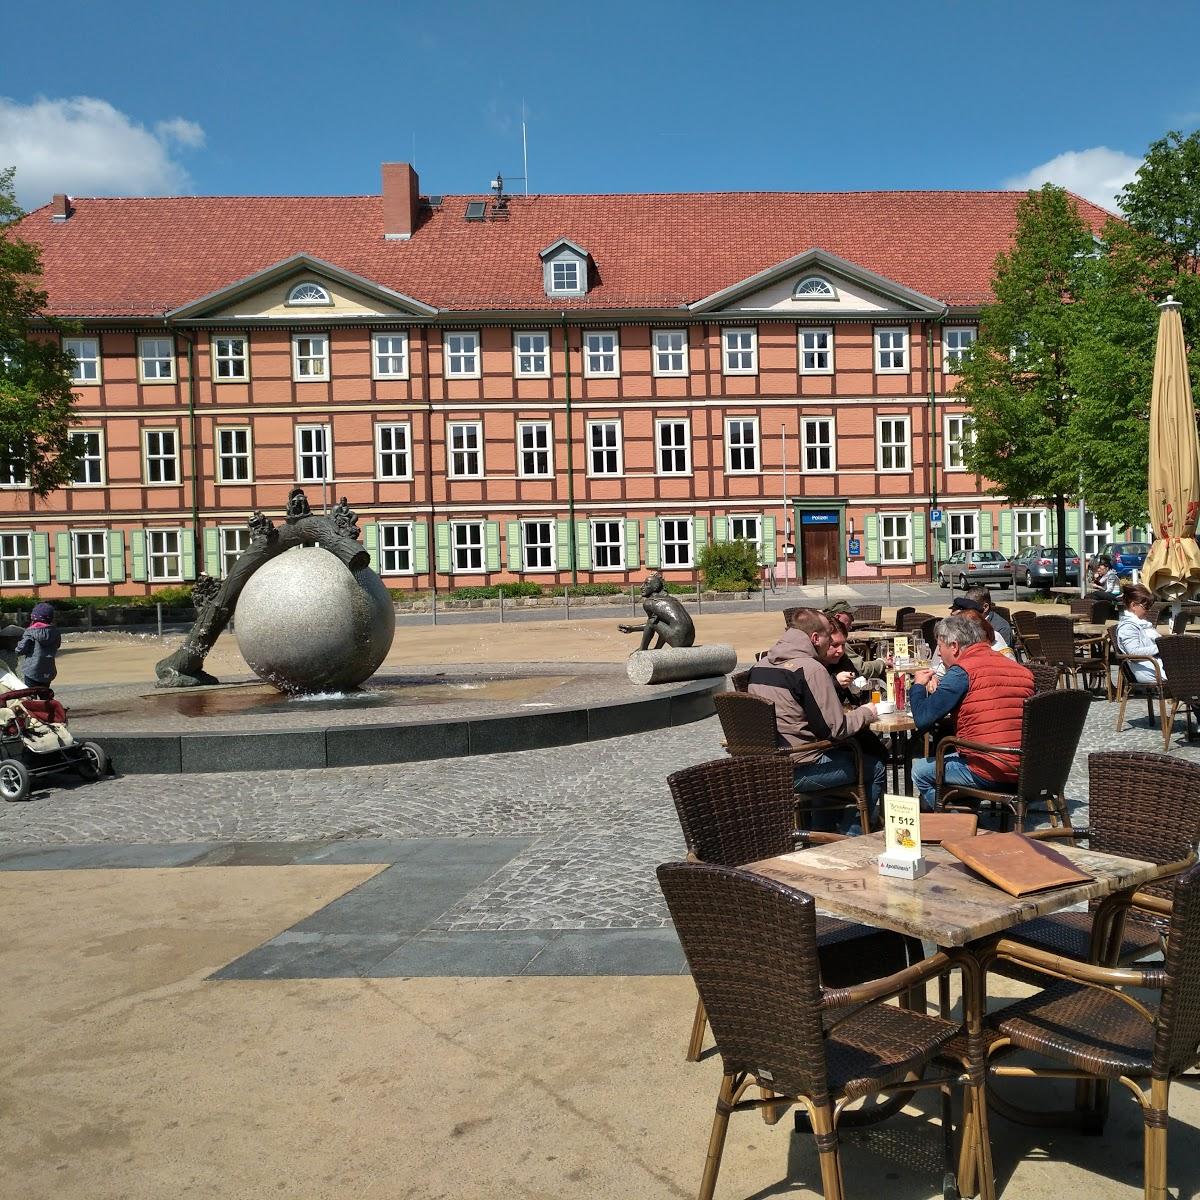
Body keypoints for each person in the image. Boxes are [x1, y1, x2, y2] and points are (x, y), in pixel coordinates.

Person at [748, 608, 885, 831]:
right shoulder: (811, 669)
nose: (830, 643)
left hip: (766, 766)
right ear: (815, 638)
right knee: (875, 767)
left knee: (835, 754)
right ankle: (853, 837)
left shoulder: (760, 666)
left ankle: (822, 831)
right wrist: (867, 712)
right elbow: (836, 730)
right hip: (799, 769)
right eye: (828, 637)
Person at [908, 613, 1034, 810]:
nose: (938, 654)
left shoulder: (962, 671)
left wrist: (917, 686)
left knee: (920, 771)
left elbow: (923, 719)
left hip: (991, 769)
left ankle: (957, 820)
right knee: (959, 753)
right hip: (1028, 770)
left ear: (954, 646)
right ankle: (966, 809)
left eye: (939, 647)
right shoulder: (1020, 669)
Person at [822, 600, 892, 679]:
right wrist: (882, 662)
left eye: (843, 645)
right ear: (838, 617)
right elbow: (861, 670)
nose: (853, 619)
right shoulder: (836, 642)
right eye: (850, 615)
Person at [1115, 582, 1164, 682]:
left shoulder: (1141, 623)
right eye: (1146, 607)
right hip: (1147, 669)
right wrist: (1162, 647)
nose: (1149, 610)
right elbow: (1134, 652)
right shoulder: (1128, 627)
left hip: (1154, 665)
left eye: (1150, 606)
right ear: (1133, 605)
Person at [16, 602, 61, 689]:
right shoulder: (55, 632)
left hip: (31, 670)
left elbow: (21, 649)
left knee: (30, 694)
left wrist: (17, 647)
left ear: (33, 617)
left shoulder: (30, 631)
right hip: (48, 670)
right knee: (44, 693)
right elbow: (57, 645)